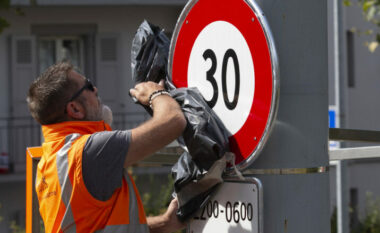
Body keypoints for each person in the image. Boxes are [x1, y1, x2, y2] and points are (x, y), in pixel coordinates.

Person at [27, 62, 187, 233]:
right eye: (88, 86)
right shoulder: (90, 151)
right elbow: (173, 122)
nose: (95, 89)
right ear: (75, 108)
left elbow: (94, 226)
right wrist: (156, 94)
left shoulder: (49, 161)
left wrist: (164, 223)